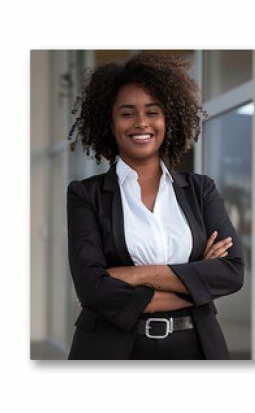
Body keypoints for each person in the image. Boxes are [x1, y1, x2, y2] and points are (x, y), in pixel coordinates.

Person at [66, 51, 245, 360]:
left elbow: (231, 271)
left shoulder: (200, 190)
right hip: (110, 351)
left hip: (197, 348)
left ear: (167, 119)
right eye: (127, 113)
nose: (141, 123)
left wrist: (134, 275)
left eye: (152, 112)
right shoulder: (86, 195)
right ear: (110, 122)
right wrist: (193, 281)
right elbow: (92, 288)